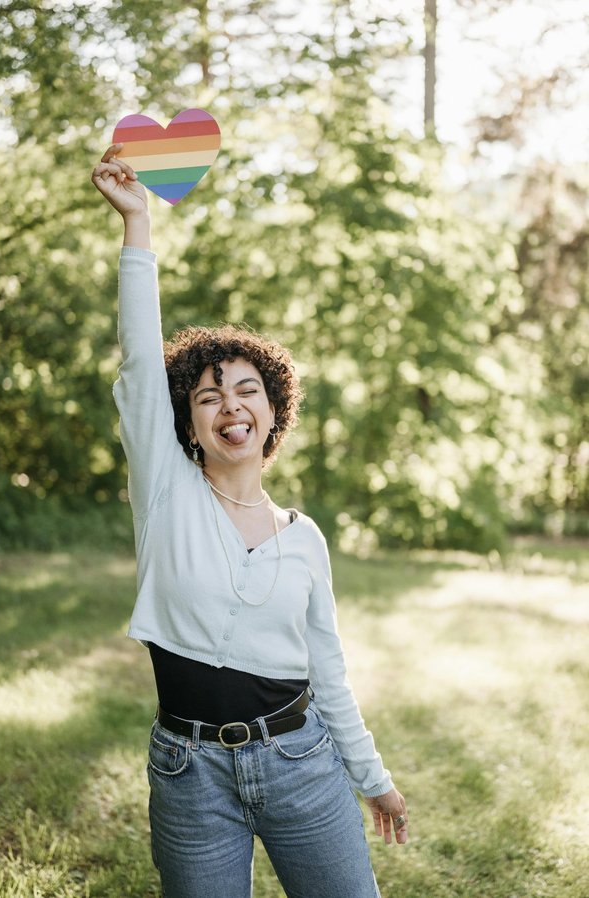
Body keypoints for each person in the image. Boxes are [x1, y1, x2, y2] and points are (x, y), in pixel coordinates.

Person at [91, 142, 408, 898]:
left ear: (272, 415)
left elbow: (328, 672)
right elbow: (139, 360)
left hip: (304, 764)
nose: (229, 404)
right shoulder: (168, 494)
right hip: (188, 772)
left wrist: (374, 780)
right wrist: (139, 226)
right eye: (208, 395)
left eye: (245, 391)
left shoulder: (304, 539)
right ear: (188, 423)